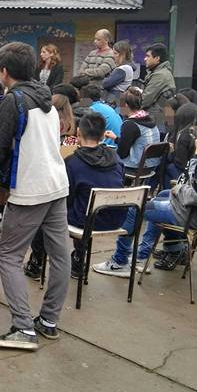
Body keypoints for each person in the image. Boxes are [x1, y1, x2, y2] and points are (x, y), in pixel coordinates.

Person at [0, 41, 70, 352]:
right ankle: (48, 321)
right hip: (58, 185)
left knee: (8, 255)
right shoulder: (47, 99)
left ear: (4, 71)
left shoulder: (13, 101)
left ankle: (23, 327)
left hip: (30, 190)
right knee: (61, 256)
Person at [94, 108, 197, 275]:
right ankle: (167, 250)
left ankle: (120, 261)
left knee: (134, 208)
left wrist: (196, 157)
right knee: (162, 196)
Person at [27, 112, 127, 280]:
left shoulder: (73, 162)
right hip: (114, 220)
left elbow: (66, 199)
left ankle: (37, 262)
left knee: (46, 212)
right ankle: (79, 260)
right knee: (84, 205)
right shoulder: (116, 159)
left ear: (78, 132)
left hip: (86, 220)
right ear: (104, 135)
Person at [106, 87, 159, 176]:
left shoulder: (130, 124)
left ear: (126, 105)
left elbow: (122, 153)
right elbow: (138, 142)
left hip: (136, 167)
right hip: (151, 165)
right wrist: (115, 139)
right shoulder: (149, 119)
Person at [141, 43, 176, 134]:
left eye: (148, 56)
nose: (145, 59)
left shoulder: (160, 75)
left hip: (159, 122)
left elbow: (145, 99)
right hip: (159, 120)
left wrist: (131, 110)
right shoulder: (158, 72)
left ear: (157, 58)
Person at [167, 103, 197, 183]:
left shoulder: (183, 136)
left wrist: (172, 152)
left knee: (169, 167)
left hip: (186, 173)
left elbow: (180, 163)